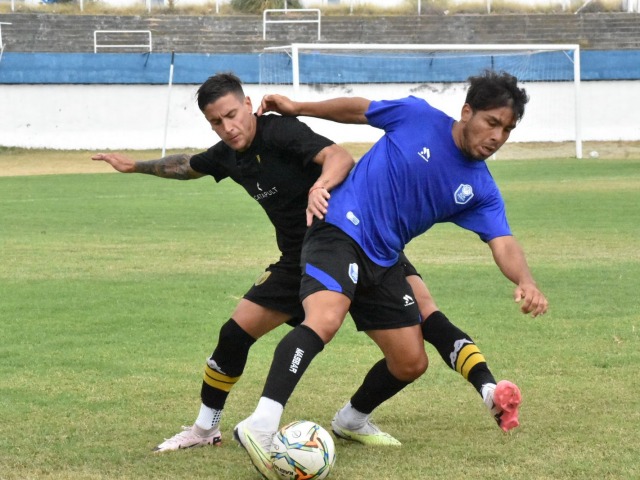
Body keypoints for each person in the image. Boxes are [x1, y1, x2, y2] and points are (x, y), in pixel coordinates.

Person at [92, 72, 521, 456]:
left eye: (231, 115)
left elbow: (338, 156)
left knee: (417, 341)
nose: (228, 127)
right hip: (303, 256)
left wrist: (321, 181)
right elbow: (186, 166)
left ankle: (363, 415)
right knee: (237, 332)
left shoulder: (281, 132)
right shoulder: (228, 153)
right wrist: (135, 167)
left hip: (350, 236)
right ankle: (208, 427)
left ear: (247, 104)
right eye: (216, 122)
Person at [234, 69, 548, 480]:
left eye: (507, 130)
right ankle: (261, 421)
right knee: (324, 320)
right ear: (467, 112)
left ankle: (351, 419)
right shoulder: (417, 115)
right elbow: (359, 110)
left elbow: (502, 241)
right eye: (492, 122)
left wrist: (525, 281)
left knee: (410, 362)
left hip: (383, 259)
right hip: (338, 230)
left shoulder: (480, 189)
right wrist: (298, 106)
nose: (497, 136)